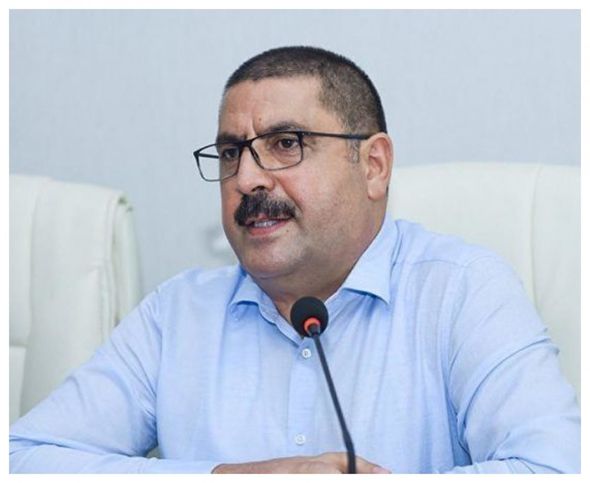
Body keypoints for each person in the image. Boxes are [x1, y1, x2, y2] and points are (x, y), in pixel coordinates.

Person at [9, 46, 580, 474]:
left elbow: (554, 468)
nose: (247, 179)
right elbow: (25, 458)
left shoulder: (462, 292)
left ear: (374, 166)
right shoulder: (177, 314)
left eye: (286, 144)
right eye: (231, 152)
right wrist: (234, 477)